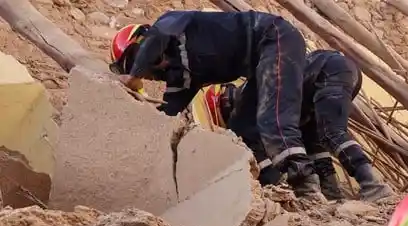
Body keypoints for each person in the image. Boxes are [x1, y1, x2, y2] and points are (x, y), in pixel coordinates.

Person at [109, 12, 322, 197]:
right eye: (146, 74)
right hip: (258, 63)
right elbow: (165, 117)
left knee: (272, 116)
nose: (149, 74)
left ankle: (306, 185)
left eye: (140, 61)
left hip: (274, 37)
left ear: (143, 42)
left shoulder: (170, 22)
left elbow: (159, 35)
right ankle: (276, 184)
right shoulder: (181, 79)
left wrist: (133, 75)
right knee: (241, 129)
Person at [203, 49, 394, 202]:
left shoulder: (243, 116)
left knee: (331, 132)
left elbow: (266, 159)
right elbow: (311, 146)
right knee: (316, 140)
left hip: (325, 73)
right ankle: (332, 195)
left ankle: (373, 188)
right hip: (340, 73)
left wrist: (287, 186)